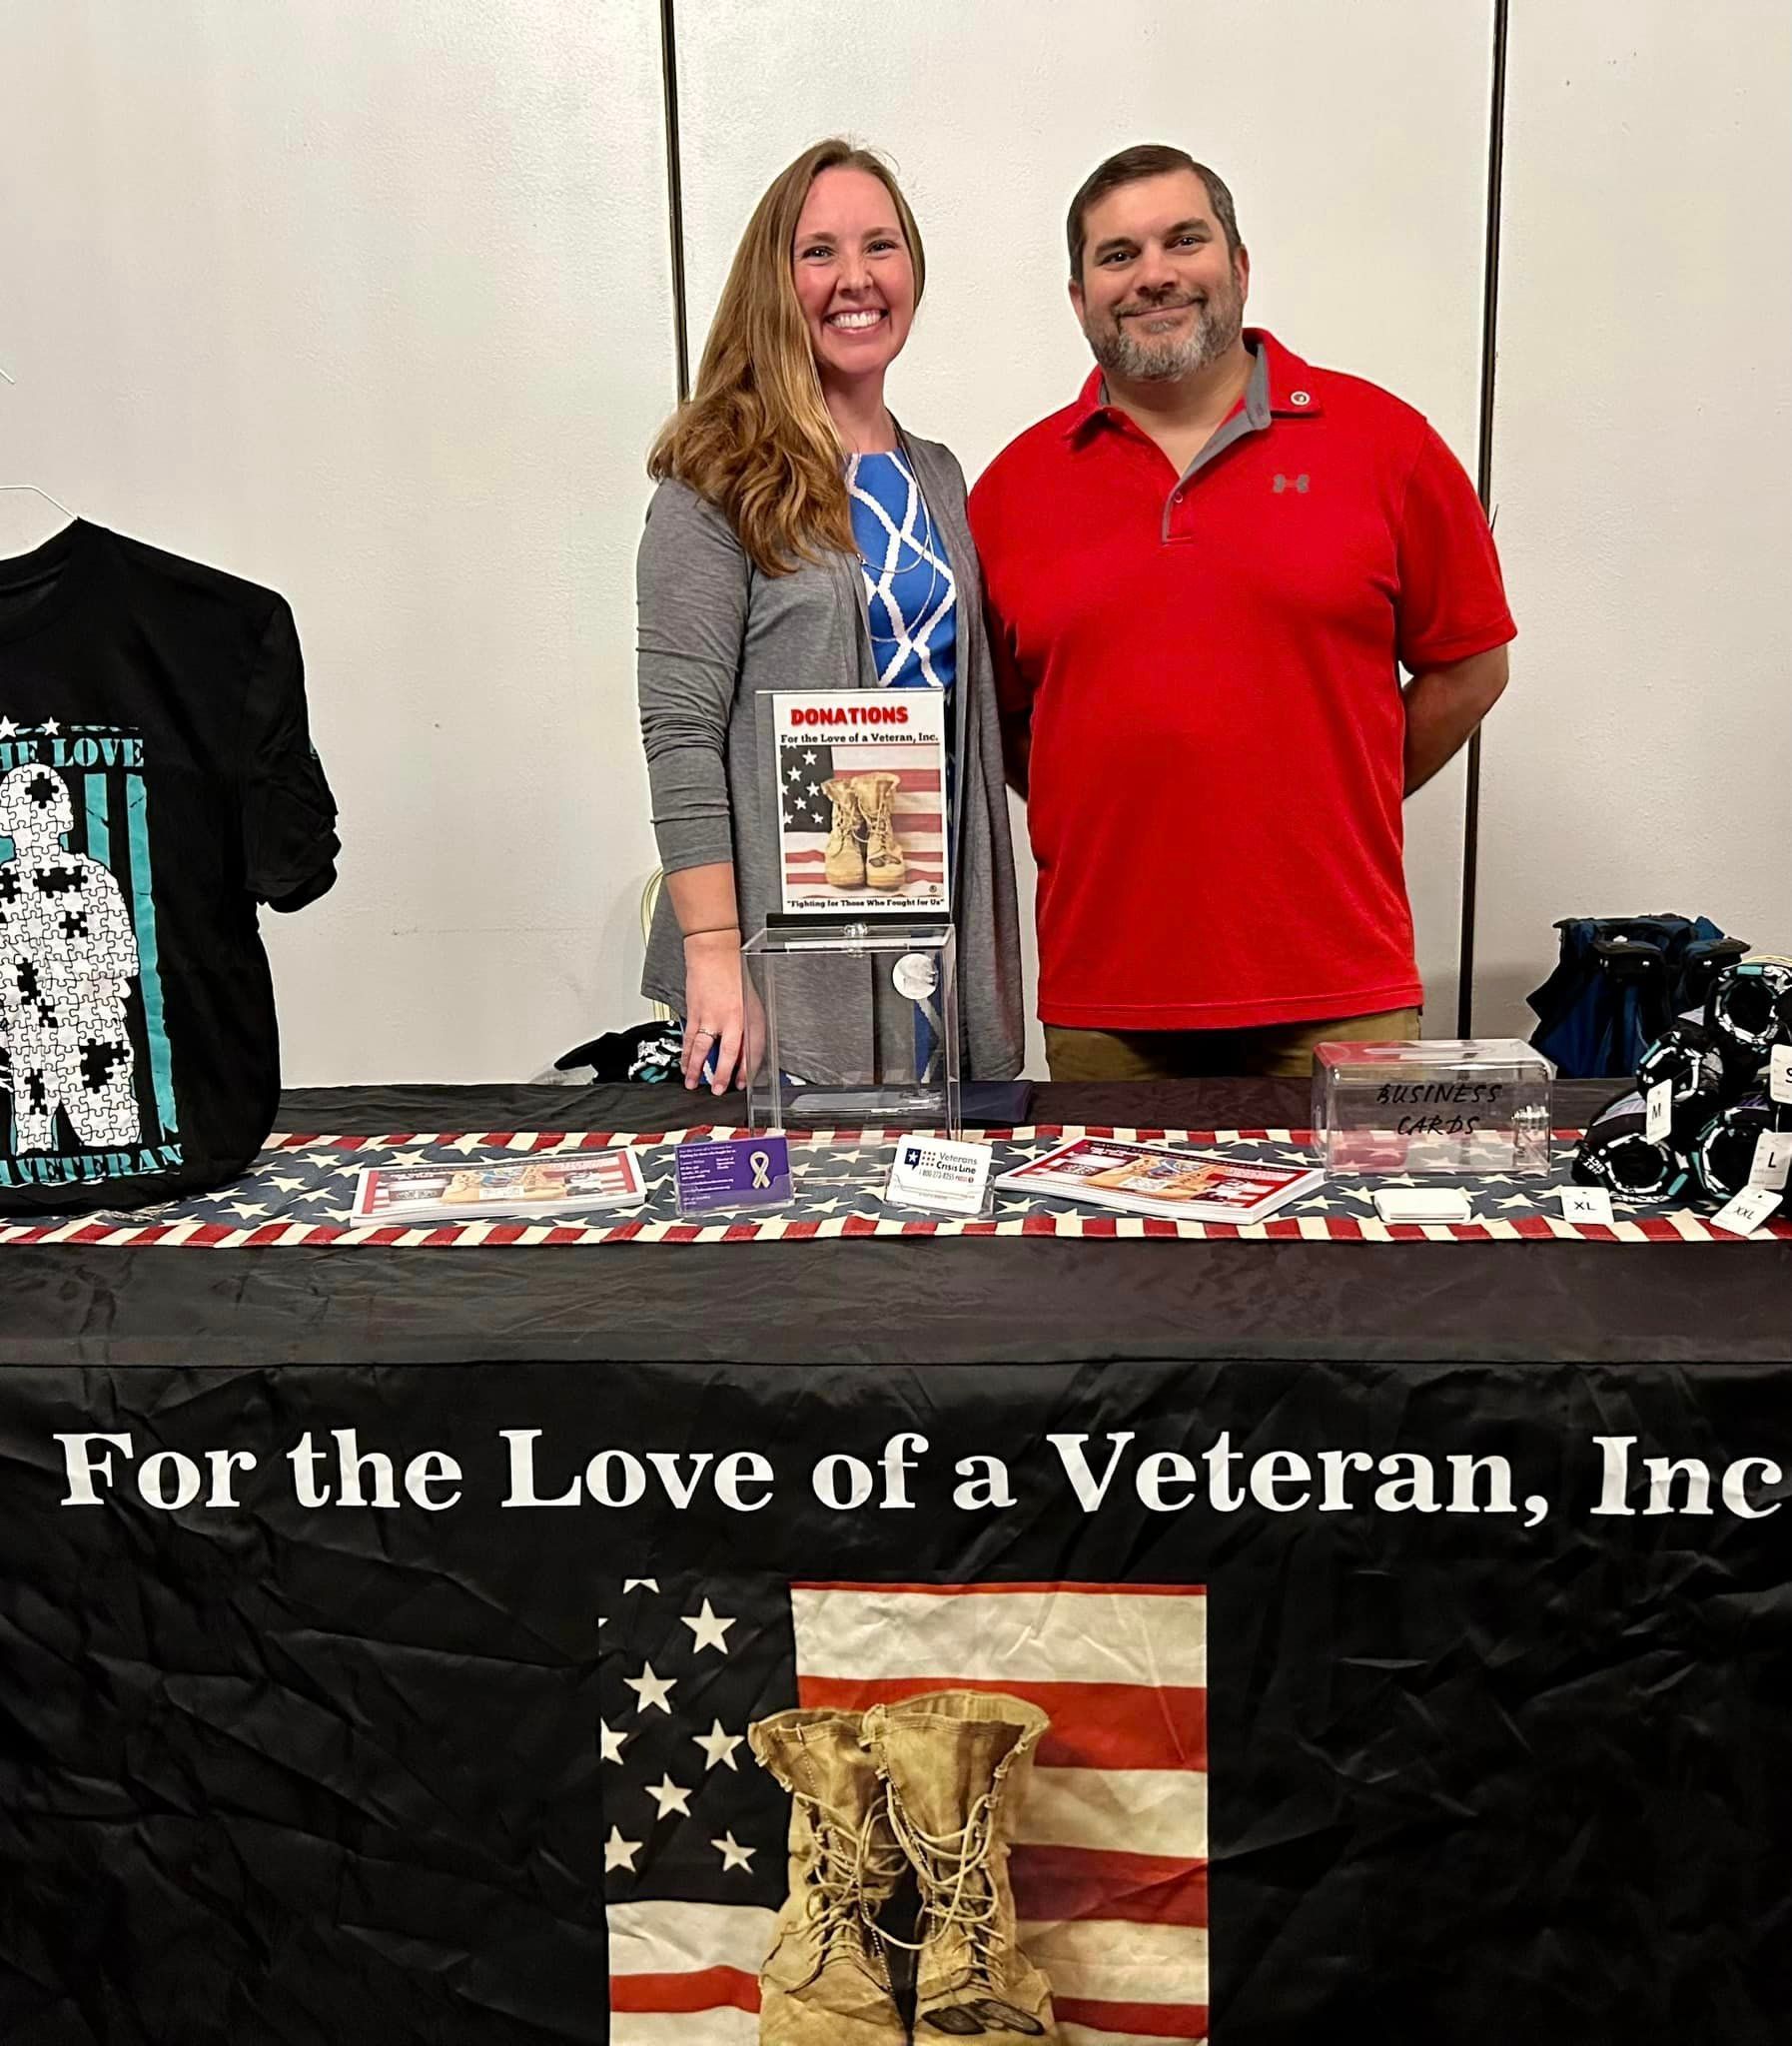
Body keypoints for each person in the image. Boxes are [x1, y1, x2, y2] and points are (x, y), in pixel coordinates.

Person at [969, 145, 1516, 1082]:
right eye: (1118, 255)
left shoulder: (1387, 446)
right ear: (1079, 297)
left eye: (1184, 240)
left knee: (1355, 1194)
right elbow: (1008, 728)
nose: (1154, 274)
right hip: (1108, 1004)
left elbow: (1472, 668)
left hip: (1342, 990)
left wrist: (1339, 792)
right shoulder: (1010, 492)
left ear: (1240, 265)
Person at [636, 139, 1023, 1094]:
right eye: (819, 252)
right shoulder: (716, 477)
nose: (856, 278)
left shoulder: (939, 476)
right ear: (775, 280)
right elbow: (680, 732)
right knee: (808, 1183)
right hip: (786, 954)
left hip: (930, 916)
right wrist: (713, 951)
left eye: (880, 246)